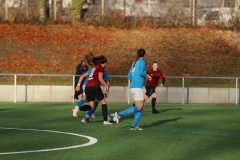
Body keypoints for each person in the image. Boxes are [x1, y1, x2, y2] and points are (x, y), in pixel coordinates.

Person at [114, 48, 148, 130]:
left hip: (133, 87)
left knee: (142, 107)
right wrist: (147, 75)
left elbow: (129, 76)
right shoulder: (142, 62)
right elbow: (141, 72)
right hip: (137, 87)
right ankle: (119, 114)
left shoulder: (134, 63)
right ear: (144, 55)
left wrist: (138, 79)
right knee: (140, 107)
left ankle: (134, 126)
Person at [75, 52, 112, 125]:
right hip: (95, 87)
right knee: (103, 103)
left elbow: (84, 76)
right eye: (105, 63)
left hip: (87, 87)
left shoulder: (94, 68)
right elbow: (100, 79)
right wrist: (106, 86)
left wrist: (78, 85)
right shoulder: (101, 68)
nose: (106, 64)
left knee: (91, 106)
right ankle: (105, 121)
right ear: (103, 63)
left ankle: (78, 108)